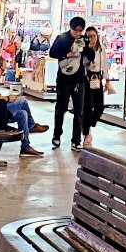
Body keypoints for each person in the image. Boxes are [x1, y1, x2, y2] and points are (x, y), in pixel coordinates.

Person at [0, 56, 47, 157]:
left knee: (23, 114)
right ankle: (32, 126)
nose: (2, 74)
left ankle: (25, 147)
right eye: (2, 70)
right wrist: (7, 98)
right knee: (23, 101)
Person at [48, 16, 87, 151]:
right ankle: (57, 135)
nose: (78, 33)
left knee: (79, 110)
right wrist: (66, 54)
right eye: (76, 30)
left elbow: (89, 56)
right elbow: (52, 53)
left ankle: (76, 140)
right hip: (64, 79)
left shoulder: (83, 40)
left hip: (79, 79)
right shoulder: (62, 38)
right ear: (71, 28)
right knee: (61, 108)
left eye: (80, 30)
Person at [81, 27, 112, 148]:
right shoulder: (84, 49)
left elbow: (104, 65)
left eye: (94, 36)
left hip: (97, 78)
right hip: (87, 78)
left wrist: (107, 80)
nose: (92, 38)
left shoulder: (101, 49)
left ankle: (89, 124)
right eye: (89, 36)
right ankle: (86, 133)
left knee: (99, 107)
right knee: (88, 107)